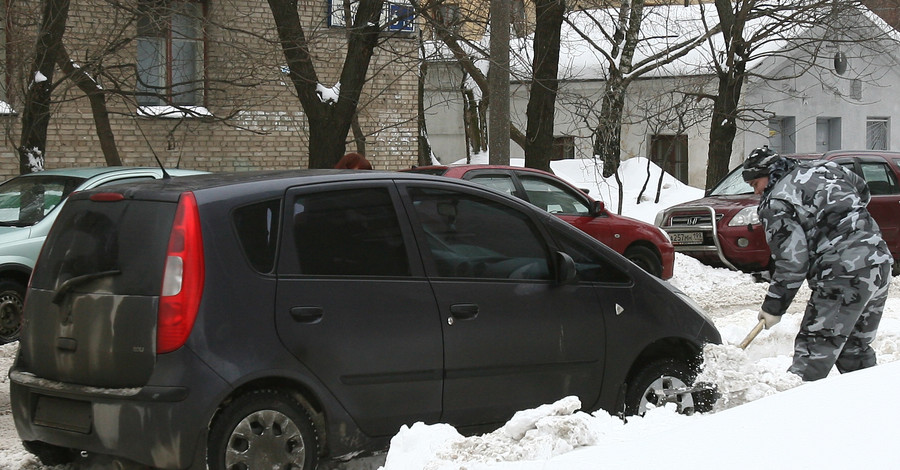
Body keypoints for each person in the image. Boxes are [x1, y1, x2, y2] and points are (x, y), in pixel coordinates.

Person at [741, 146, 893, 381]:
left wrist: (774, 307)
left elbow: (792, 261)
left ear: (769, 174)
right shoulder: (826, 168)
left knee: (812, 355)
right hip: (878, 262)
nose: (757, 192)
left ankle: (794, 414)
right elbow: (862, 190)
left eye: (755, 184)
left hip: (842, 274)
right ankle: (871, 411)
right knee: (854, 350)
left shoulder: (776, 202)